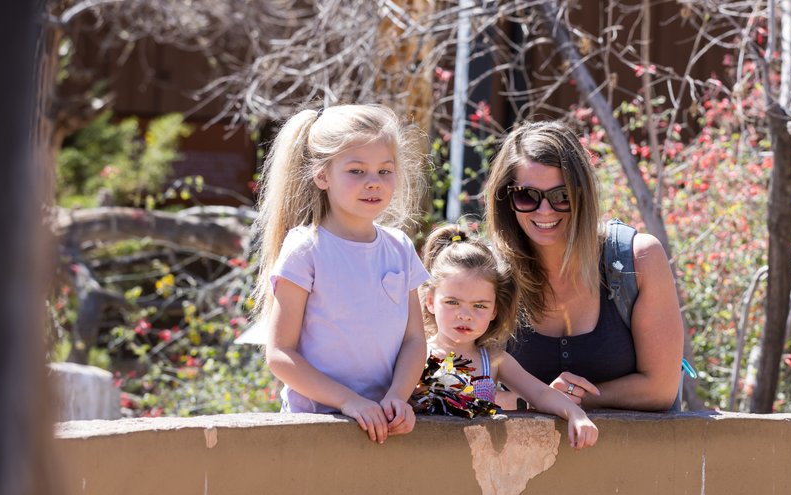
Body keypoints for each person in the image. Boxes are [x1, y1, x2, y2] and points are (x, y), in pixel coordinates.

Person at [251, 104, 429, 443]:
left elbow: (414, 339)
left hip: (386, 425)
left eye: (384, 171)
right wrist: (349, 402)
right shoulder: (307, 249)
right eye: (357, 171)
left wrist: (397, 396)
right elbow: (280, 353)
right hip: (316, 428)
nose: (373, 183)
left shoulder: (400, 247)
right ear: (322, 176)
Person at [484, 121, 683, 412]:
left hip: (636, 455)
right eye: (527, 196)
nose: (545, 211)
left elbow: (661, 388)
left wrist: (572, 399)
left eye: (561, 196)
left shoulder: (638, 260)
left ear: (583, 195)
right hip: (520, 457)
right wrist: (536, 399)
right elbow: (459, 384)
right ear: (507, 200)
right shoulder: (490, 275)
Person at [413, 225, 599, 449]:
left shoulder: (493, 360)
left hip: (477, 470)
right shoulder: (416, 354)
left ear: (494, 311)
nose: (465, 315)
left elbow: (540, 393)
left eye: (479, 305)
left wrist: (576, 415)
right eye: (452, 302)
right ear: (431, 301)